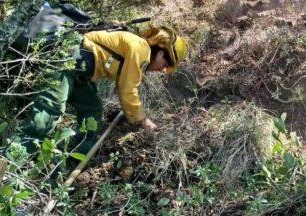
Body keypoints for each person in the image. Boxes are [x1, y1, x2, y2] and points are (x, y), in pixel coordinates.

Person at [18, 22, 186, 154]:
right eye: (165, 64)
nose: (161, 70)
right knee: (50, 110)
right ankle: (15, 157)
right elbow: (127, 89)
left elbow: (124, 83)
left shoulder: (137, 47)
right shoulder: (141, 49)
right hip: (67, 63)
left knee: (92, 110)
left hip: (80, 73)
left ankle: (74, 159)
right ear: (161, 52)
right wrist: (142, 120)